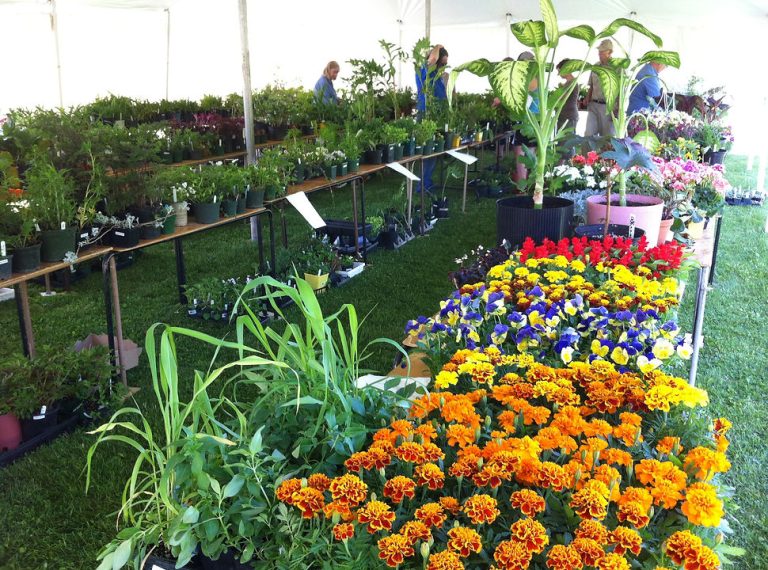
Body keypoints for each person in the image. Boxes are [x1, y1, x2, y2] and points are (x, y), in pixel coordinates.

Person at [415, 45, 449, 192]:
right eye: (442, 63)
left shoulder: (436, 74)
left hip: (435, 115)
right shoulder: (426, 69)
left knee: (433, 150)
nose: (444, 66)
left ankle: (426, 181)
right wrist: (438, 46)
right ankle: (421, 185)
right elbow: (433, 58)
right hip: (426, 114)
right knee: (427, 150)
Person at [585, 39, 615, 136]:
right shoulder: (595, 66)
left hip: (608, 108)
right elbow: (591, 86)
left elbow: (620, 92)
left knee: (606, 138)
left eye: (602, 52)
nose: (599, 54)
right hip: (593, 105)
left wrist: (617, 109)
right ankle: (586, 152)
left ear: (610, 52)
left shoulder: (617, 68)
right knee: (588, 135)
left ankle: (603, 152)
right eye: (599, 51)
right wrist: (587, 99)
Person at [556, 59, 580, 131]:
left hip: (569, 117)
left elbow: (563, 97)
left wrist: (559, 91)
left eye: (559, 71)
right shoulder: (568, 83)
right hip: (564, 116)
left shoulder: (572, 83)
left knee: (565, 141)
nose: (559, 74)